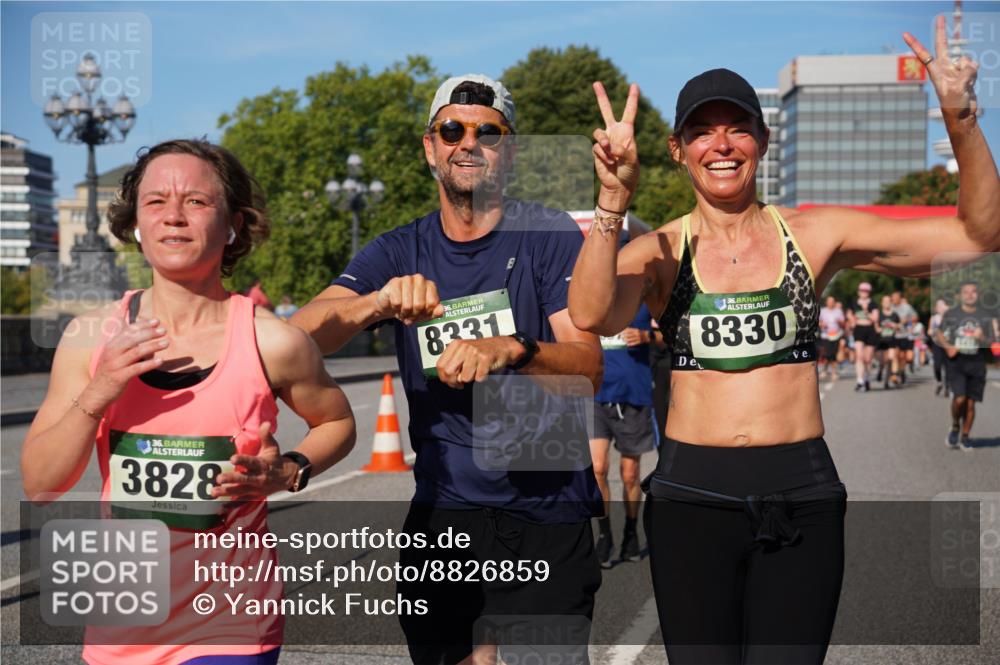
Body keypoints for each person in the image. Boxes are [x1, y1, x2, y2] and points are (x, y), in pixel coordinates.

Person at [569, 18, 998, 663]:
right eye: (701, 130)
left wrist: (959, 118)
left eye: (737, 126)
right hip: (693, 494)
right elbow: (593, 314)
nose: (721, 144)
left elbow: (977, 236)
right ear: (677, 147)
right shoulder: (657, 249)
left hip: (801, 490)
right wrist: (610, 200)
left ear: (763, 141)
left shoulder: (815, 233)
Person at [291, 74, 603, 664]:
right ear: (429, 146)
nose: (468, 142)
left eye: (488, 132)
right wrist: (375, 303)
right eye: (451, 129)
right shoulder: (399, 249)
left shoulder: (548, 233)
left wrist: (514, 348)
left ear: (508, 151)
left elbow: (589, 367)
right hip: (445, 513)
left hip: (547, 504)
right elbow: (299, 336)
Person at [21, 139, 357, 665]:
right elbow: (41, 484)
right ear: (135, 222)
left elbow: (336, 420)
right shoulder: (90, 338)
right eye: (156, 202)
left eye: (196, 202)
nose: (174, 216)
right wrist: (99, 390)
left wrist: (289, 469)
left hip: (231, 620)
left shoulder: (273, 341)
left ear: (233, 226)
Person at [591, 289, 656, 568]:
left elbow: (673, 333)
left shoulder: (642, 296)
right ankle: (605, 535)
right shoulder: (592, 300)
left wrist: (646, 337)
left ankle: (631, 530)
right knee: (597, 467)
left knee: (630, 475)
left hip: (633, 395)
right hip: (595, 394)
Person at [935, 281, 994, 450]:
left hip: (976, 363)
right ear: (959, 295)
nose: (970, 295)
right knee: (959, 399)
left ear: (978, 295)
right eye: (966, 292)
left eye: (973, 292)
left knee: (970, 404)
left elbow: (992, 343)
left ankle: (965, 436)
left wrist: (982, 338)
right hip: (957, 363)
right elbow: (939, 332)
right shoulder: (952, 314)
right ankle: (955, 426)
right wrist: (948, 347)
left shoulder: (984, 316)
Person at [847, 282, 879, 392]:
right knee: (859, 356)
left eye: (865, 291)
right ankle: (860, 381)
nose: (863, 293)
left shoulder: (873, 304)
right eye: (861, 291)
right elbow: (849, 314)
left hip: (870, 330)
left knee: (868, 359)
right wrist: (852, 320)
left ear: (869, 293)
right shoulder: (854, 303)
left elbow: (875, 318)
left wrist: (865, 311)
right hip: (859, 329)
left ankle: (867, 378)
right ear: (858, 292)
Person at [876, 294, 901, 389]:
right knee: (883, 361)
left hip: (891, 339)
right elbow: (875, 326)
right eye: (885, 301)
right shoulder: (879, 314)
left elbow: (899, 326)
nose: (887, 303)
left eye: (888, 301)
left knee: (892, 357)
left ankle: (893, 375)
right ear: (882, 303)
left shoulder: (894, 315)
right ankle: (881, 370)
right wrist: (878, 329)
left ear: (891, 303)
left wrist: (895, 326)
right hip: (881, 340)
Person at [891, 291, 918, 379]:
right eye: (892, 297)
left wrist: (907, 320)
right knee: (895, 354)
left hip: (905, 334)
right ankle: (895, 372)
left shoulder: (907, 307)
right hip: (893, 335)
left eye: (895, 297)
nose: (893, 299)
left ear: (900, 298)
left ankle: (902, 370)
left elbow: (915, 317)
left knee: (904, 356)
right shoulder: (891, 308)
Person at [818, 295, 845, 381]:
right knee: (827, 354)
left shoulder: (838, 311)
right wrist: (822, 324)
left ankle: (834, 372)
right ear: (827, 303)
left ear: (834, 302)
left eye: (832, 301)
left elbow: (843, 323)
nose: (830, 303)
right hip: (826, 336)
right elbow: (818, 322)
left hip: (836, 336)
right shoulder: (823, 311)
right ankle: (825, 370)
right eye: (829, 301)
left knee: (833, 354)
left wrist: (839, 321)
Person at [928, 298, 950, 395]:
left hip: (948, 345)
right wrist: (932, 332)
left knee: (948, 366)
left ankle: (948, 385)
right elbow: (929, 330)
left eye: (942, 306)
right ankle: (939, 382)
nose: (940, 308)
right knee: (937, 366)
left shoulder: (951, 318)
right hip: (937, 344)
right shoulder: (933, 319)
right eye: (938, 306)